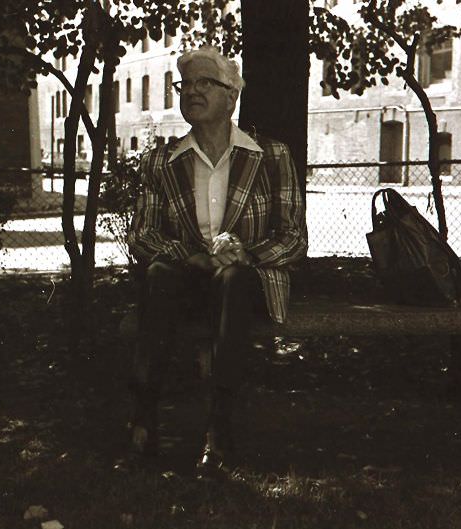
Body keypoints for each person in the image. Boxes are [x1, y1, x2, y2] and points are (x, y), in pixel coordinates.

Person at [126, 46, 307, 476]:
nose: (192, 91)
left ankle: (218, 428)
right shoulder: (162, 160)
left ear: (232, 96)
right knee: (158, 272)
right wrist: (189, 256)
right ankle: (144, 417)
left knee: (233, 279)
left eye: (204, 82)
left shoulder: (271, 155)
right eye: (185, 84)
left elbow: (294, 237)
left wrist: (247, 253)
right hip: (185, 283)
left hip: (246, 285)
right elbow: (142, 234)